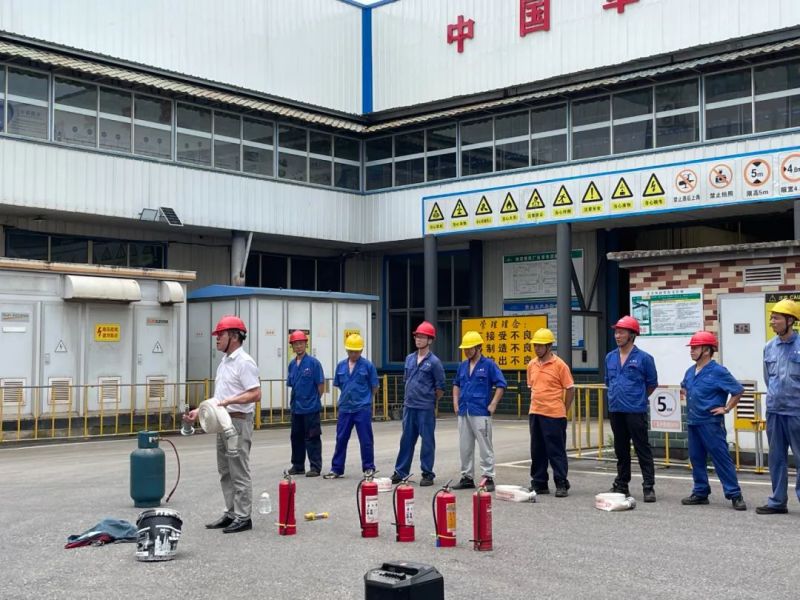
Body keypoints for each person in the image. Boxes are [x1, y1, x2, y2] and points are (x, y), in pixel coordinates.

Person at [184, 315, 261, 534]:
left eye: (220, 335)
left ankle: (243, 517)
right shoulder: (225, 362)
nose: (217, 339)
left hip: (238, 422)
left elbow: (255, 393)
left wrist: (230, 401)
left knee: (239, 470)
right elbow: (220, 396)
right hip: (222, 421)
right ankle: (231, 512)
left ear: (234, 336)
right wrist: (200, 410)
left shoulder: (244, 362)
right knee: (225, 470)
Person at [680, 331, 746, 511]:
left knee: (721, 458)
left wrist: (726, 408)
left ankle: (735, 494)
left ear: (707, 350)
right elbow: (684, 386)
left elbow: (737, 390)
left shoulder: (718, 371)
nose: (692, 351)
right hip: (693, 421)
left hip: (711, 423)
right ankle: (700, 492)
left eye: (696, 348)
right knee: (696, 458)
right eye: (691, 347)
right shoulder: (690, 371)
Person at [605, 315, 658, 502]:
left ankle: (648, 486)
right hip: (616, 409)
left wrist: (638, 398)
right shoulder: (610, 357)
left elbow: (652, 384)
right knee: (621, 449)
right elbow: (608, 381)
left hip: (635, 410)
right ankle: (622, 484)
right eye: (616, 332)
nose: (617, 336)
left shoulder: (644, 358)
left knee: (642, 448)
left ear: (632, 335)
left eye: (621, 332)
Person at [757, 298, 800, 515]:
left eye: (776, 318)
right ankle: (777, 501)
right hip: (775, 411)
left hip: (797, 411)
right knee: (776, 459)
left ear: (790, 320)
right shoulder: (769, 347)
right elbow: (768, 379)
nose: (772, 321)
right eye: (771, 318)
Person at [390, 321, 446, 487]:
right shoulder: (409, 359)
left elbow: (440, 388)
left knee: (427, 441)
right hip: (409, 406)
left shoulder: (434, 362)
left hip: (425, 408)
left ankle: (427, 473)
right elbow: (406, 380)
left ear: (430, 340)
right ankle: (401, 472)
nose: (418, 339)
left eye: (422, 337)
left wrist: (429, 401)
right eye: (417, 336)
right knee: (406, 440)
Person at [452, 331, 507, 492]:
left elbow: (501, 384)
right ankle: (467, 477)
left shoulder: (489, 364)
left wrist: (493, 403)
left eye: (469, 348)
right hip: (464, 410)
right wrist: (455, 402)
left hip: (481, 411)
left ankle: (488, 477)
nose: (467, 351)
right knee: (465, 446)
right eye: (465, 348)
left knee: (485, 446)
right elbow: (456, 384)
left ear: (478, 347)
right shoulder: (463, 365)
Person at [526, 328, 575, 498]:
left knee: (556, 450)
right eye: (535, 345)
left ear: (549, 346)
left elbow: (570, 389)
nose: (537, 348)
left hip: (554, 414)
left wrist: (564, 409)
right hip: (535, 412)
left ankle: (561, 482)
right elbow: (532, 387)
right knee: (537, 450)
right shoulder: (531, 365)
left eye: (540, 346)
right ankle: (539, 483)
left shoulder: (560, 365)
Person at [323, 333, 379, 479]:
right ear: (347, 350)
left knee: (366, 440)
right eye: (351, 351)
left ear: (361, 350)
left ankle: (369, 468)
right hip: (345, 408)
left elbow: (374, 386)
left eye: (356, 351)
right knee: (341, 438)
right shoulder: (341, 366)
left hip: (362, 408)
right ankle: (336, 469)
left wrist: (365, 399)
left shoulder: (368, 366)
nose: (353, 354)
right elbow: (340, 384)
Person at [286, 330, 325, 477]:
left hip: (310, 408)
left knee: (312, 437)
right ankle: (298, 465)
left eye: (301, 343)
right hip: (296, 408)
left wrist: (314, 400)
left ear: (305, 344)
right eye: (295, 344)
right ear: (292, 346)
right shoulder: (292, 365)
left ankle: (315, 467)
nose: (298, 346)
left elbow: (320, 385)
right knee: (296, 437)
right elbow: (292, 384)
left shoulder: (314, 363)